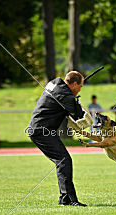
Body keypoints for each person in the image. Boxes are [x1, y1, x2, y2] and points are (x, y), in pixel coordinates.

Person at [28, 71, 87, 206]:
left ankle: (65, 198)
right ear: (74, 84)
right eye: (80, 86)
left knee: (63, 160)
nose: (80, 89)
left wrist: (73, 97)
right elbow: (78, 115)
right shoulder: (65, 95)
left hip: (40, 129)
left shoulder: (54, 83)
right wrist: (75, 99)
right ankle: (69, 200)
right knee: (64, 160)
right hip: (42, 131)